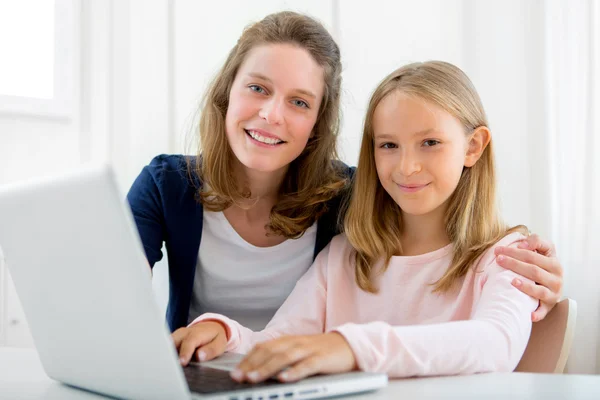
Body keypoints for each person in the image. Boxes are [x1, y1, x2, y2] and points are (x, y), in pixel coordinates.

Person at [127, 11, 562, 340]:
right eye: (258, 88)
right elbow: (110, 300)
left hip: (315, 375)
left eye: (299, 102)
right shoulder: (167, 186)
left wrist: (535, 274)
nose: (272, 115)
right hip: (217, 370)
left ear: (318, 120)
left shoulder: (351, 196)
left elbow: (449, 229)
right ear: (227, 92)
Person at [173, 61, 542, 382]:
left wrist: (350, 346)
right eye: (389, 145)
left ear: (473, 147)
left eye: (429, 143)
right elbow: (281, 342)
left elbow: (495, 344)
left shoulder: (507, 257)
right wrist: (225, 334)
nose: (406, 166)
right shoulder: (345, 255)